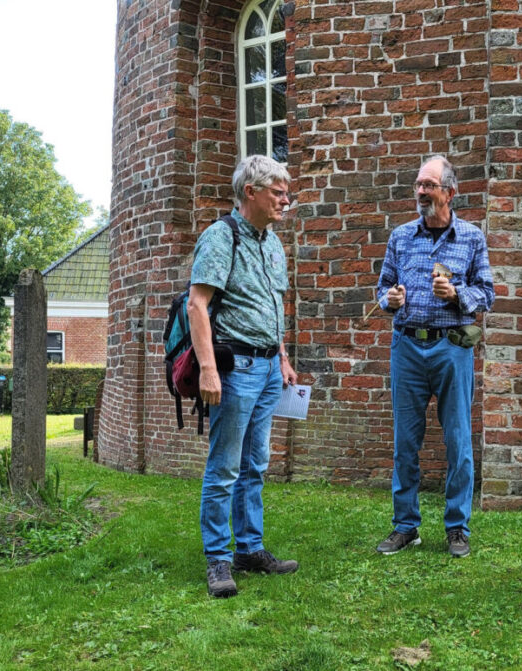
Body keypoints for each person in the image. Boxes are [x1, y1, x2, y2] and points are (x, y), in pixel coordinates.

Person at [189, 155, 306, 598]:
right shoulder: (221, 238)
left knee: (256, 465)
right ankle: (218, 560)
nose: (284, 200)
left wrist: (282, 357)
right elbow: (197, 305)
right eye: (277, 192)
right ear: (250, 192)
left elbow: (272, 307)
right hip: (233, 370)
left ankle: (250, 550)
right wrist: (207, 369)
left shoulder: (273, 243)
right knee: (224, 468)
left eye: (285, 192)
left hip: (268, 369)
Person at [374, 155, 495, 559]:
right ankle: (405, 526)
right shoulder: (401, 236)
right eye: (418, 185)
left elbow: (488, 293)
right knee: (405, 441)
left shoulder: (472, 238)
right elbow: (383, 287)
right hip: (407, 346)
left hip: (452, 347)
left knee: (457, 439)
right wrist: (389, 299)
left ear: (450, 192)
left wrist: (459, 294)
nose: (421, 192)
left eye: (429, 185)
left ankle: (457, 526)